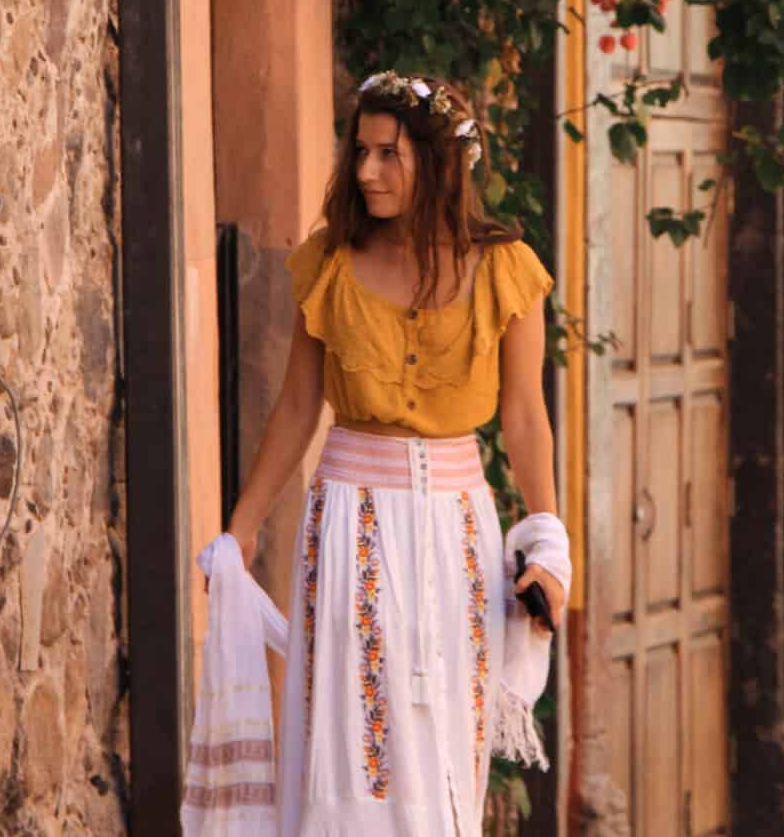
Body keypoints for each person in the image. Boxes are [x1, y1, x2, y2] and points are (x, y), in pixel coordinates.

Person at [222, 70, 570, 836]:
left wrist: (548, 539)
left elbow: (523, 415)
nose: (367, 171)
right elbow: (296, 409)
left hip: (458, 531)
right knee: (353, 742)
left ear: (439, 164)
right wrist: (241, 529)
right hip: (350, 523)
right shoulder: (332, 265)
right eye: (361, 152)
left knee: (447, 733)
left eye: (389, 154)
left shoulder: (505, 268)